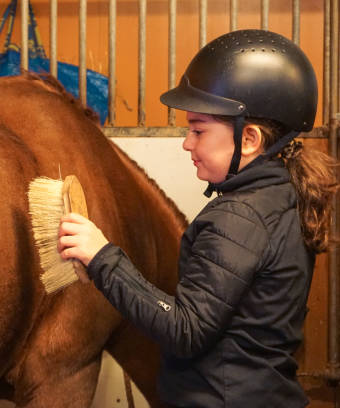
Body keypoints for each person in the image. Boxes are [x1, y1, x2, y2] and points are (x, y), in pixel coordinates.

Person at [58, 29, 338, 407]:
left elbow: (185, 330)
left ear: (250, 139)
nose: (187, 143)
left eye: (198, 130)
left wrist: (101, 257)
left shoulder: (240, 216)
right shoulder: (281, 194)